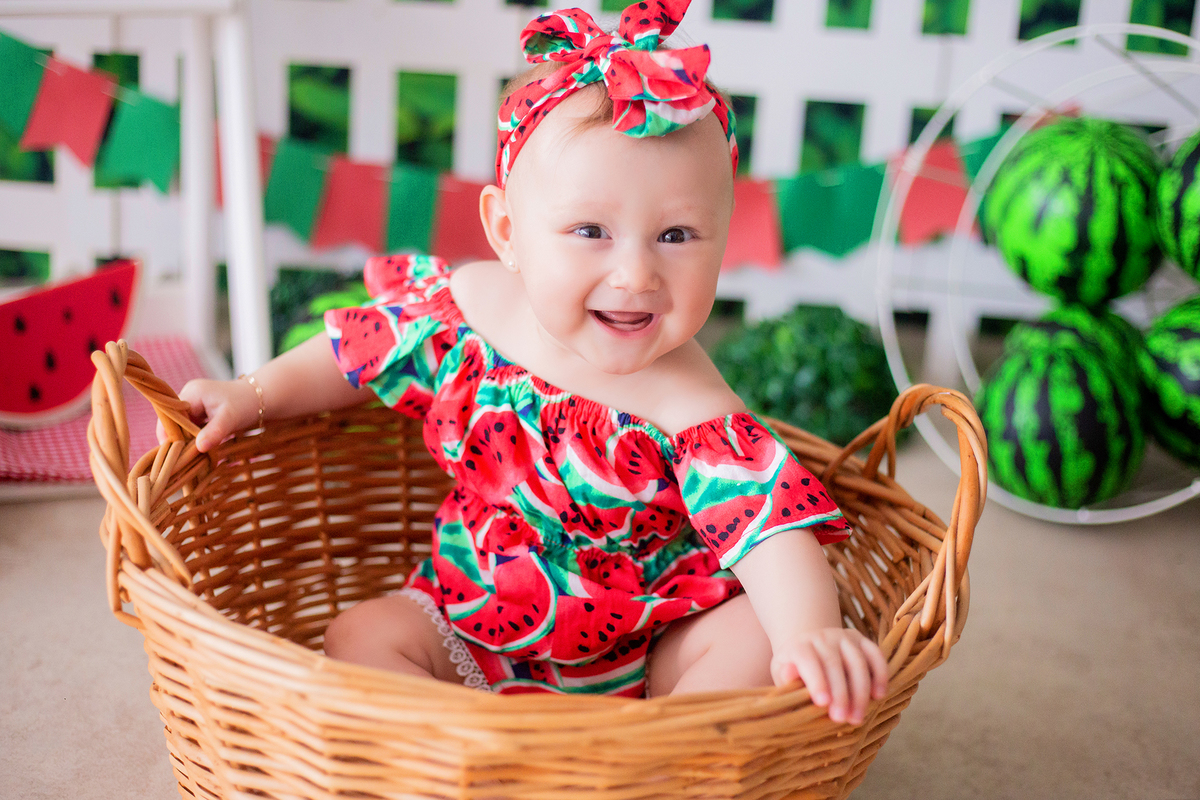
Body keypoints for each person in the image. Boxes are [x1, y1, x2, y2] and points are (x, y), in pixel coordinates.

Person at [171, 0, 888, 722]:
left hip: (647, 653)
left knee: (757, 633)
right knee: (358, 635)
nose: (636, 274)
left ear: (724, 239)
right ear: (508, 232)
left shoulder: (692, 406)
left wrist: (808, 633)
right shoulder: (471, 313)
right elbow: (357, 347)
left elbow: (769, 528)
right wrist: (254, 393)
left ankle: (641, 762)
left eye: (676, 235)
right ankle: (457, 749)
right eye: (591, 231)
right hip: (470, 619)